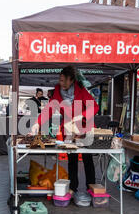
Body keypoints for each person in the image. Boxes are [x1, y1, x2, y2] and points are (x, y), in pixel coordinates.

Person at [30, 66, 99, 195]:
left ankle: (91, 188)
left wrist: (81, 115)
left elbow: (94, 107)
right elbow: (48, 110)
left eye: (63, 81)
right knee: (71, 157)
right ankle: (73, 188)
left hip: (85, 128)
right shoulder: (57, 92)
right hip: (69, 129)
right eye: (59, 80)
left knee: (87, 158)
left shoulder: (81, 91)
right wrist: (37, 123)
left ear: (71, 80)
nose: (60, 83)